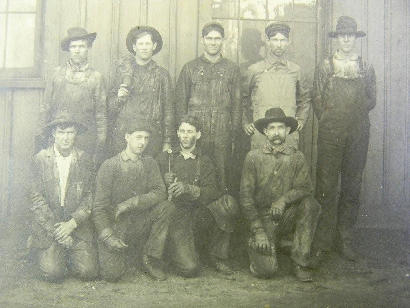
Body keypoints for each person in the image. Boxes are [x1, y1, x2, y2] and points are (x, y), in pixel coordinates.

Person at [312, 16, 376, 261]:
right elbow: (318, 100)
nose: (346, 39)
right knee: (326, 187)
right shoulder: (326, 65)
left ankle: (345, 239)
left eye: (350, 35)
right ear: (337, 38)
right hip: (331, 133)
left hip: (358, 132)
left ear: (356, 38)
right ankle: (322, 242)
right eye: (342, 35)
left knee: (351, 186)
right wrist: (333, 121)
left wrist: (353, 117)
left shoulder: (365, 65)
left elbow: (372, 98)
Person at [240, 108, 321, 282]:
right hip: (263, 219)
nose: (277, 132)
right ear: (265, 131)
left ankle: (299, 261)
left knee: (310, 204)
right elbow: (245, 198)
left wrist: (283, 200)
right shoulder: (253, 157)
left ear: (288, 130)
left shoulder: (297, 157)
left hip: (287, 216)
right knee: (266, 270)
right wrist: (258, 230)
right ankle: (267, 243)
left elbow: (305, 188)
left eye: (281, 127)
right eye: (272, 128)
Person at [157, 115, 239, 277]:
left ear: (198, 135)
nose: (185, 135)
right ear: (177, 133)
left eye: (190, 131)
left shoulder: (205, 160)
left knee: (227, 204)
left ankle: (217, 256)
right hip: (175, 216)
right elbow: (150, 186)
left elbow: (214, 192)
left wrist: (189, 189)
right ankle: (175, 252)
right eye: (182, 131)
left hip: (199, 215)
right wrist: (162, 180)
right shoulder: (165, 157)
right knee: (190, 269)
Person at [92, 121, 174, 281]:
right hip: (117, 225)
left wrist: (132, 202)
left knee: (167, 207)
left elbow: (160, 192)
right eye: (138, 137)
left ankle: (149, 257)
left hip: (141, 222)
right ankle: (127, 256)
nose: (142, 142)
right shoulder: (110, 165)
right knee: (111, 275)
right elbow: (98, 208)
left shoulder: (150, 163)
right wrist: (108, 236)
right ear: (127, 137)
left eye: (146, 138)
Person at [29, 112, 98, 282]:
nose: (65, 138)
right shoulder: (40, 159)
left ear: (76, 134)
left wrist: (73, 223)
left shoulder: (85, 159)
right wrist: (58, 231)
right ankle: (48, 250)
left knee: (88, 272)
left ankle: (68, 255)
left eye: (70, 133)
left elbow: (90, 196)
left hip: (76, 225)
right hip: (50, 225)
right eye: (61, 132)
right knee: (53, 273)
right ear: (53, 134)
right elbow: (35, 199)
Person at [175, 22, 241, 190]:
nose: (213, 42)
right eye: (209, 38)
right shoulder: (190, 68)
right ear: (202, 40)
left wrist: (233, 133)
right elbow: (180, 103)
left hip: (222, 132)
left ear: (223, 41)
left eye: (217, 38)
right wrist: (185, 130)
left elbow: (237, 105)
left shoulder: (232, 69)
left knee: (222, 174)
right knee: (195, 171)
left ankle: (220, 213)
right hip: (196, 131)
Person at [39, 27, 107, 166]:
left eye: (81, 46)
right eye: (73, 46)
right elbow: (45, 107)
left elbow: (101, 113)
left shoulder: (96, 77)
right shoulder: (56, 74)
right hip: (59, 136)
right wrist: (41, 136)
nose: (77, 50)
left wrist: (101, 141)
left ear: (88, 48)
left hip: (85, 138)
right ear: (69, 49)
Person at [108, 26, 174, 157]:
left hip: (151, 136)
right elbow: (109, 107)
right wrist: (119, 98)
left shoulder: (162, 75)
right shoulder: (122, 73)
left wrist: (167, 141)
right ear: (134, 47)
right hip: (124, 134)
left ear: (154, 46)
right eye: (140, 44)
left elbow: (168, 110)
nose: (144, 47)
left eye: (148, 43)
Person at [242, 23, 310, 150]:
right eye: (275, 40)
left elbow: (305, 98)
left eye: (283, 40)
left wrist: (301, 119)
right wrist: (245, 122)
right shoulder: (254, 70)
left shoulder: (295, 70)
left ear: (288, 42)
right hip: (261, 132)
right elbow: (242, 98)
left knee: (288, 166)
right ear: (268, 41)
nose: (279, 44)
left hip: (288, 134)